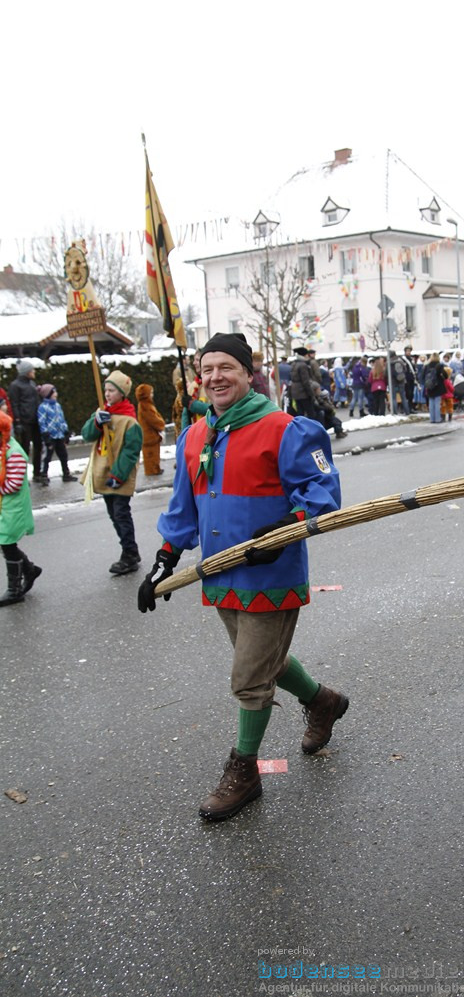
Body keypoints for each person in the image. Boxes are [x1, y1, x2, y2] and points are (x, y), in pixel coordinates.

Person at [137, 332, 346, 823]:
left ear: (247, 373)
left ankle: (244, 769)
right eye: (206, 370)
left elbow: (322, 490)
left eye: (225, 367)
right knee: (263, 659)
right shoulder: (194, 436)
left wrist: (285, 527)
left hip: (272, 573)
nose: (214, 377)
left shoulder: (284, 428)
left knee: (249, 675)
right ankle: (324, 702)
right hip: (221, 577)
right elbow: (183, 508)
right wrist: (164, 559)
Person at [80, 370, 143, 574]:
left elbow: (131, 451)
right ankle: (128, 550)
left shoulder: (129, 422)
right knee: (114, 515)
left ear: (122, 393)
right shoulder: (102, 412)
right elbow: (87, 435)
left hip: (119, 475)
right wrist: (96, 422)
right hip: (103, 472)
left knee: (121, 514)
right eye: (105, 390)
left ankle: (130, 553)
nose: (107, 394)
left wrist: (119, 475)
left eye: (111, 390)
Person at [0, 412, 42, 606]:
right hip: (5, 506)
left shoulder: (13, 452)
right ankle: (30, 570)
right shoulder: (3, 449)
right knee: (7, 544)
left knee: (7, 543)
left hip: (13, 507)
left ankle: (15, 590)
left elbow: (14, 484)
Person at [8, 359, 42, 482]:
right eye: (32, 370)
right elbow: (14, 404)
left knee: (38, 446)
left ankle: (37, 473)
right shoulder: (15, 386)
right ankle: (23, 476)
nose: (34, 371)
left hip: (36, 420)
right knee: (24, 449)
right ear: (26, 372)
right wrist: (17, 421)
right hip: (24, 421)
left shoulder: (32, 384)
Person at [37, 384, 77, 483]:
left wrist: (66, 431)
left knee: (63, 455)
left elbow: (61, 420)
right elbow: (42, 422)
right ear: (48, 394)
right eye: (54, 392)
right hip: (50, 436)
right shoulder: (43, 407)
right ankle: (44, 474)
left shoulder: (57, 406)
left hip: (59, 435)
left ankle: (66, 473)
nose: (56, 394)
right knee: (47, 457)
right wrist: (45, 435)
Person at [135, 383, 166, 476]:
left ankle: (155, 468)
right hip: (149, 435)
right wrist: (161, 424)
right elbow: (153, 419)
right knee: (151, 454)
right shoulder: (145, 406)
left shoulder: (144, 404)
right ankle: (152, 470)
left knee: (154, 453)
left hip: (148, 435)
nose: (152, 395)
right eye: (151, 393)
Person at [289, 347, 316, 419]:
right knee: (310, 413)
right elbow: (305, 381)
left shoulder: (293, 364)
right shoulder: (303, 365)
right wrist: (311, 394)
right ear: (304, 355)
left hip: (295, 392)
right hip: (303, 393)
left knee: (300, 413)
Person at [422, 352, 446, 423]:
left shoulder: (427, 365)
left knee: (431, 403)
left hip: (429, 386)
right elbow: (445, 375)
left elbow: (422, 376)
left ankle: (432, 419)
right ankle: (437, 419)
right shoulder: (439, 365)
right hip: (438, 386)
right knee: (437, 403)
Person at [389, 350, 409, 414]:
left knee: (394, 398)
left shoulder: (389, 362)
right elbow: (405, 369)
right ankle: (407, 412)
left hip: (393, 382)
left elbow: (386, 373)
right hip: (401, 381)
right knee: (403, 397)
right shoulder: (400, 361)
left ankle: (395, 412)